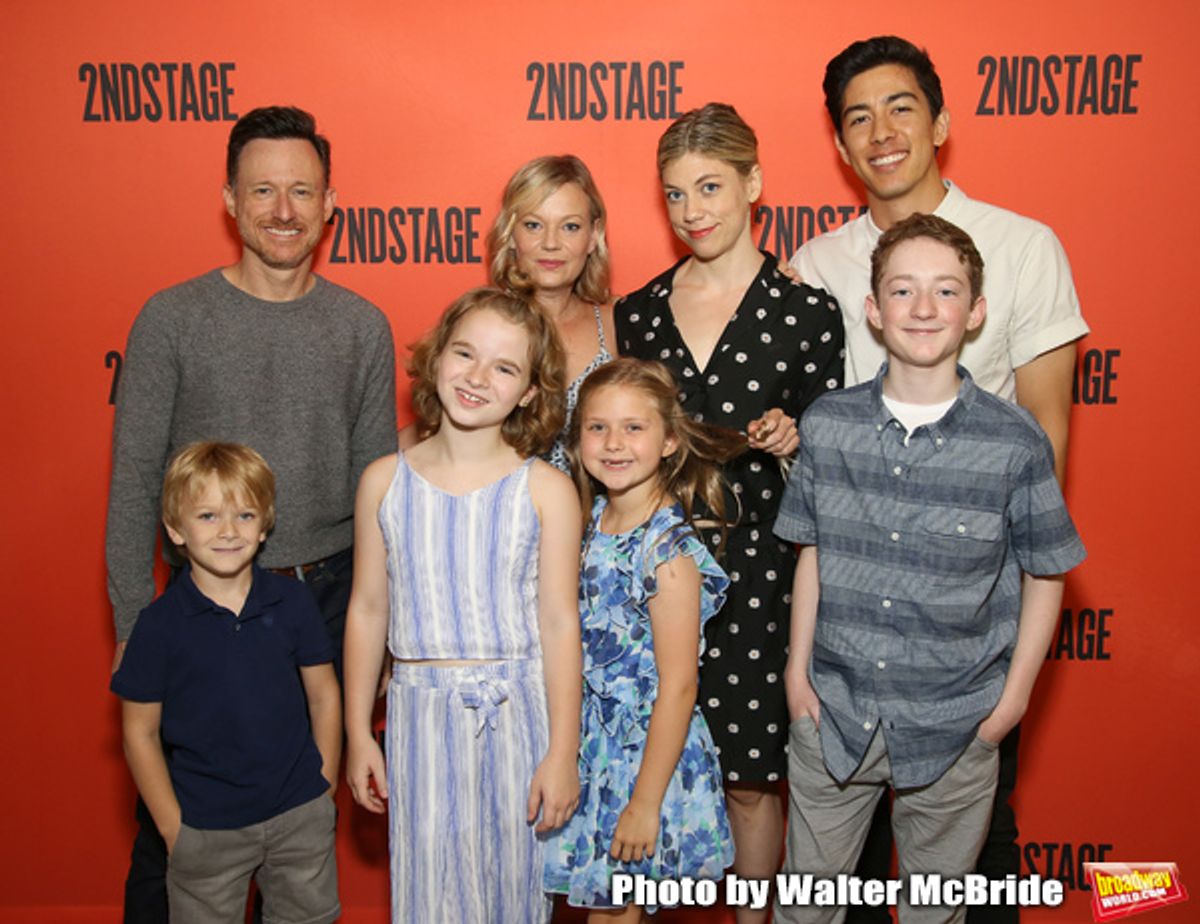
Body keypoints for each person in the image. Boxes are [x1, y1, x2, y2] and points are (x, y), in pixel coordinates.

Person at [789, 38, 1089, 917]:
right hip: (849, 632)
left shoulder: (1024, 246)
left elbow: (1047, 431)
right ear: (841, 147)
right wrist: (802, 669)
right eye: (858, 118)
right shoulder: (816, 263)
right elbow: (815, 449)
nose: (881, 131)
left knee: (968, 856)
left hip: (963, 630)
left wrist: (1003, 667)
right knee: (835, 869)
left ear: (941, 123)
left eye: (901, 108)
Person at [106, 105, 396, 921]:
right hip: (201, 603)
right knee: (179, 834)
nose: (283, 210)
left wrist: (379, 639)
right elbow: (133, 482)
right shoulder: (171, 319)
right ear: (229, 200)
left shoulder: (361, 326)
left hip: (327, 601)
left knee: (302, 830)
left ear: (330, 202)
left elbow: (378, 497)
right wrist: (134, 617)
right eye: (262, 189)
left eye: (302, 190)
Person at [615, 102, 843, 921]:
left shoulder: (807, 312)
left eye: (710, 187)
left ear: (754, 183)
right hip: (655, 574)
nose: (693, 211)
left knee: (750, 779)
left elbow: (836, 469)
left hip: (762, 579)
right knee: (641, 771)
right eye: (675, 194)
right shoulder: (636, 312)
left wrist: (791, 444)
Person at [343, 287, 583, 923]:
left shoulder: (547, 490)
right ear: (435, 357)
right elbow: (368, 610)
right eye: (465, 354)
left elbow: (560, 625)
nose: (478, 378)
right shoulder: (384, 481)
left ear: (531, 390)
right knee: (428, 895)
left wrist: (563, 753)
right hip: (417, 720)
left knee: (515, 895)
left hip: (519, 720)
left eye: (505, 368)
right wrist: (357, 735)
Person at [112, 442, 341, 924]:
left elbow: (323, 696)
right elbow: (138, 732)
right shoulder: (156, 626)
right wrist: (173, 829)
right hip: (205, 829)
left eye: (244, 514)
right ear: (175, 529)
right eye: (208, 516)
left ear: (265, 525)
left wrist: (323, 790)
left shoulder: (293, 602)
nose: (228, 531)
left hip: (299, 816)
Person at [544, 358, 739, 920]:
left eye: (635, 428)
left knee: (617, 912)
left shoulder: (666, 551)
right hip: (593, 751)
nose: (614, 443)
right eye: (597, 427)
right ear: (576, 441)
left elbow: (678, 686)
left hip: (643, 762)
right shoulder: (592, 519)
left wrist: (646, 802)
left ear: (670, 441)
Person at [489, 154, 616, 471]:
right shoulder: (483, 325)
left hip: (602, 517)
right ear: (511, 234)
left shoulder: (619, 321)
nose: (550, 243)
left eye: (570, 227)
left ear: (593, 236)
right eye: (533, 225)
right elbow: (437, 429)